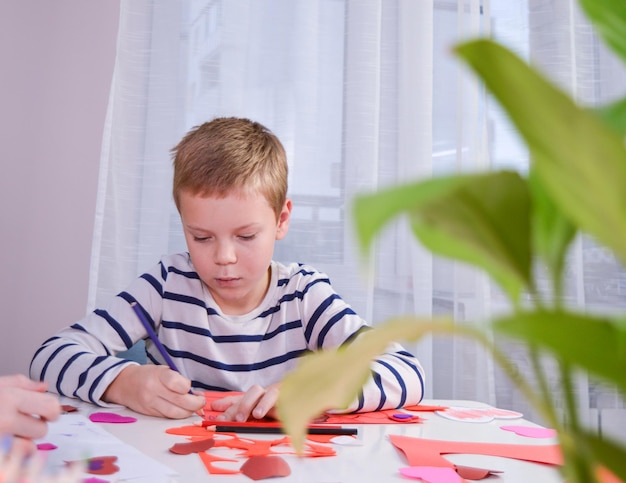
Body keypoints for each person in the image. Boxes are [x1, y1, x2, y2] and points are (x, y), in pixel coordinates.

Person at [30, 117, 425, 422]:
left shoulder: (304, 296)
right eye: (201, 237)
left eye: (246, 236)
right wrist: (122, 382)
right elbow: (50, 356)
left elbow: (406, 371)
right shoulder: (167, 285)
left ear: (281, 220)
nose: (224, 258)